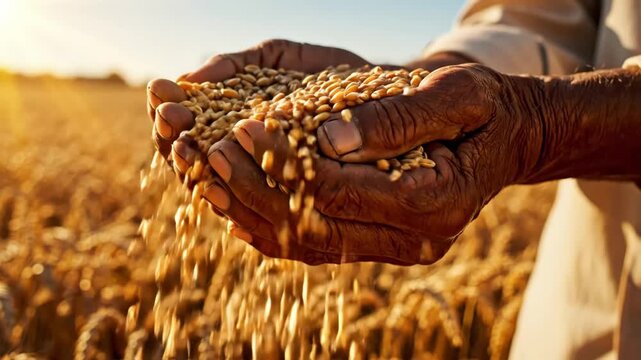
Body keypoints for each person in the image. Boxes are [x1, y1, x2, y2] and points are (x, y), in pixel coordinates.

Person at [146, 0, 641, 358]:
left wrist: (543, 126)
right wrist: (426, 84)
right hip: (572, 317)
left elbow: (540, 115)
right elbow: (540, 15)